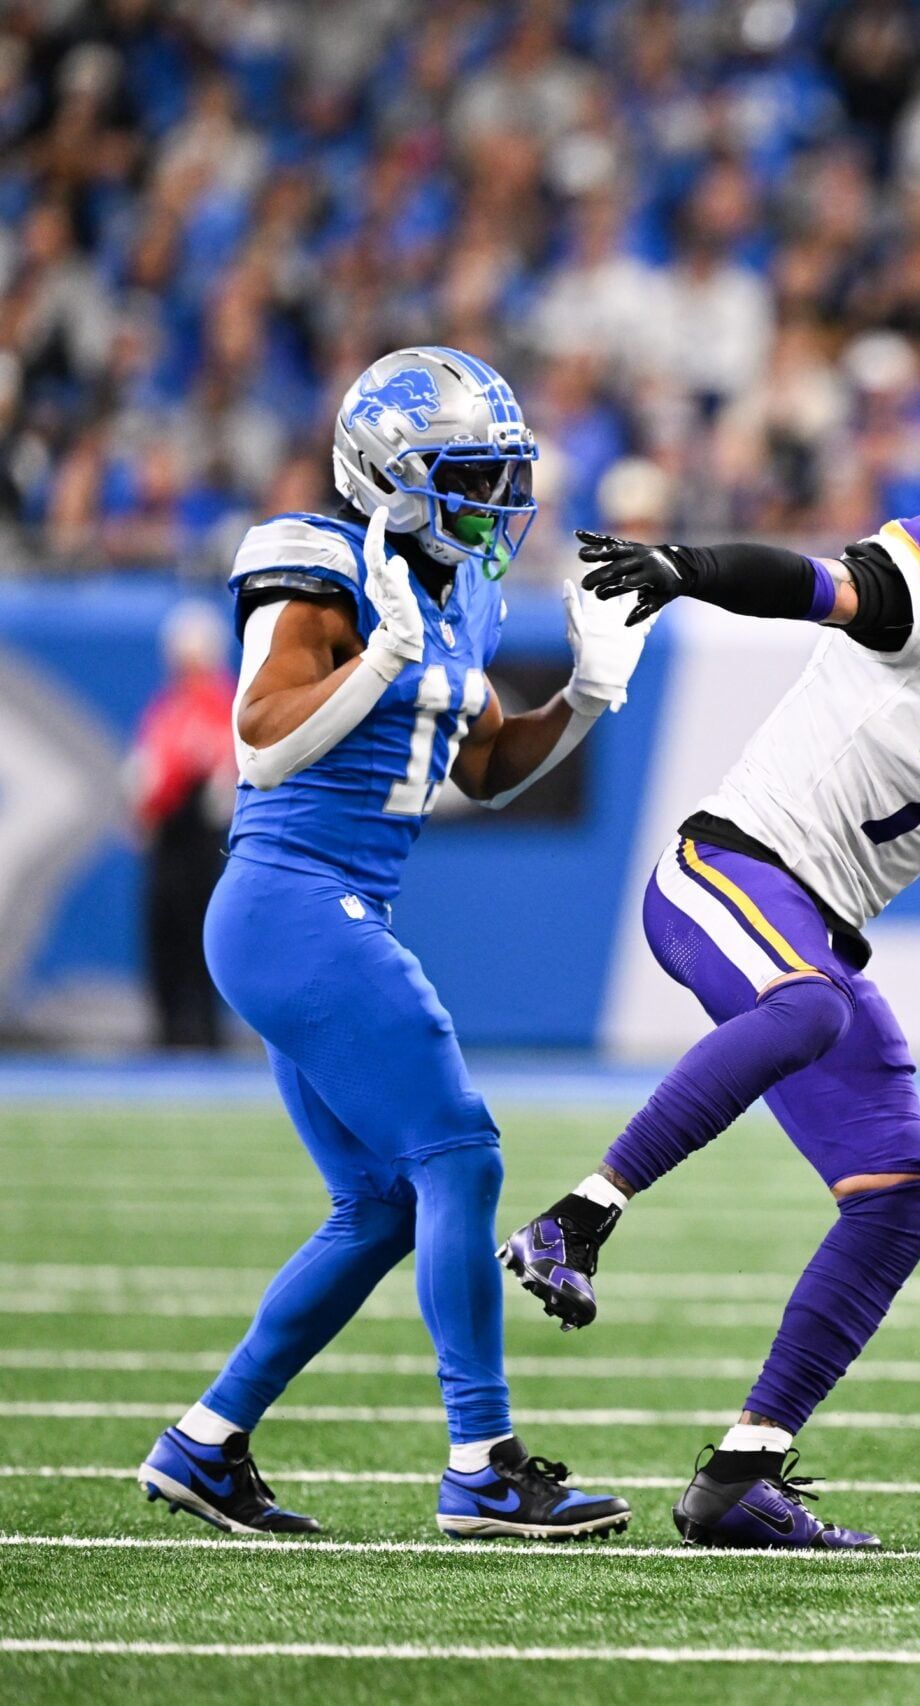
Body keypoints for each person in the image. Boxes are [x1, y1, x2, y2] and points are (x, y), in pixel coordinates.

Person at [500, 439, 920, 1549]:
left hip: (818, 941)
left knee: (900, 1196)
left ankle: (744, 1472)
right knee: (811, 1006)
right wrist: (686, 568)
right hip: (726, 868)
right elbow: (813, 585)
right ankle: (575, 1218)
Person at [138, 347, 651, 1538]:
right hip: (291, 899)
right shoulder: (322, 565)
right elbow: (261, 744)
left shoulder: (461, 593)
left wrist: (585, 696)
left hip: (323, 914)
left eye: (500, 475)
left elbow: (489, 766)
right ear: (386, 473)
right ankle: (483, 1462)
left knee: (379, 1204)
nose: (494, 501)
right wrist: (377, 658)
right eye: (466, 475)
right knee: (460, 1157)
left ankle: (206, 1441)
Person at [127, 602, 236, 1050]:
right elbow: (148, 773)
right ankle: (168, 1031)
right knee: (164, 939)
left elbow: (221, 777)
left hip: (203, 842)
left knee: (201, 939)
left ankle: (205, 1034)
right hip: (168, 839)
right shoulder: (167, 707)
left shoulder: (224, 705)